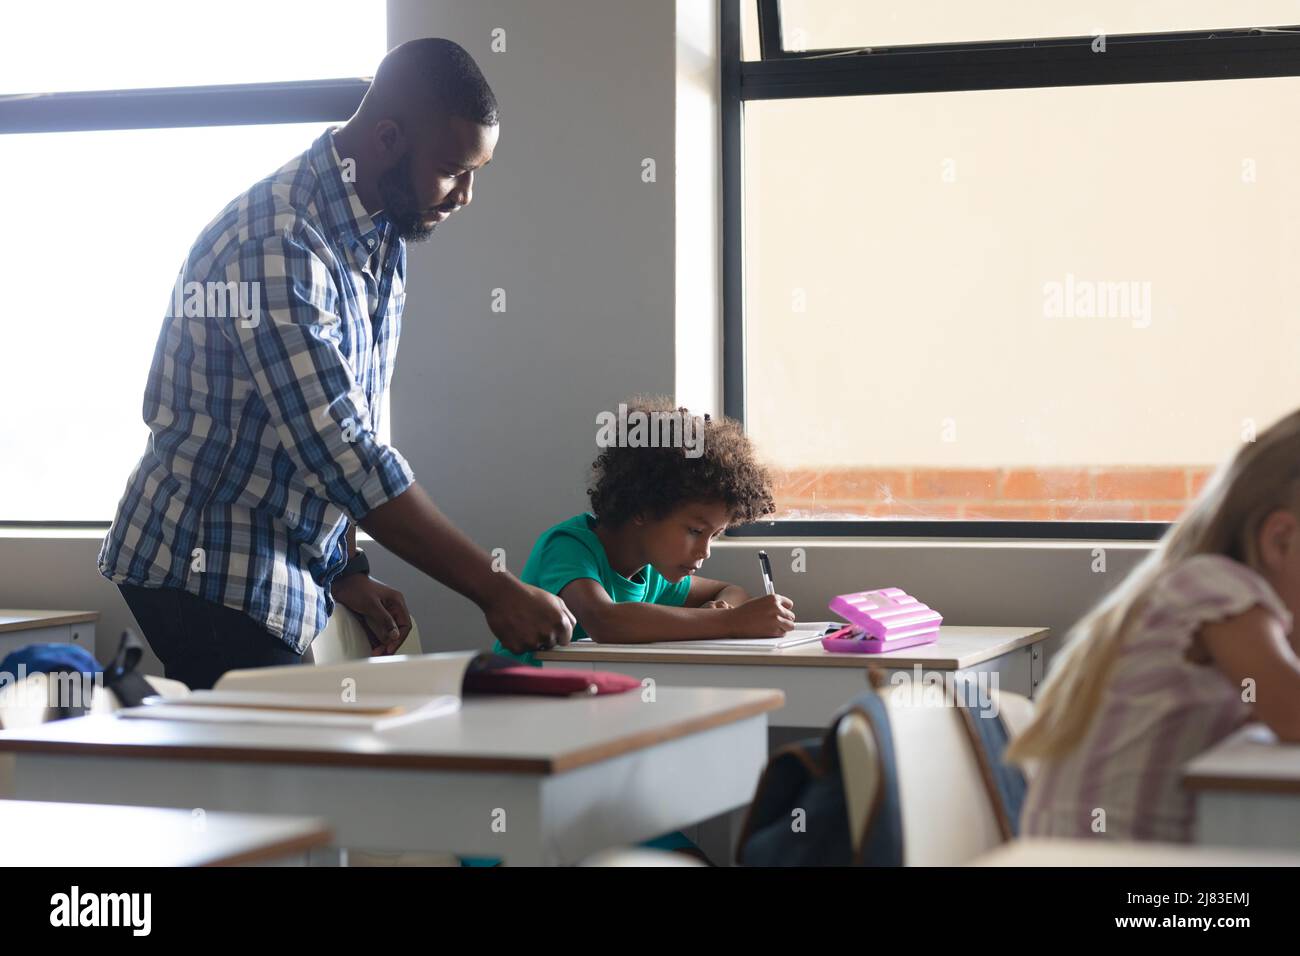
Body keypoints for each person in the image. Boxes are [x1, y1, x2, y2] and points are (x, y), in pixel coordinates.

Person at [99, 38, 573, 690]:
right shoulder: (279, 240)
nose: (466, 195)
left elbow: (345, 420)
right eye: (452, 169)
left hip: (277, 562)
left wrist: (345, 570)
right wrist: (496, 592)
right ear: (386, 137)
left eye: (476, 173)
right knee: (274, 778)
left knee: (286, 772)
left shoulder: (379, 230)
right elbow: (340, 447)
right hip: (204, 562)